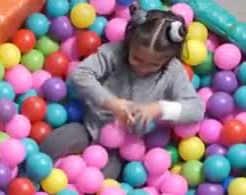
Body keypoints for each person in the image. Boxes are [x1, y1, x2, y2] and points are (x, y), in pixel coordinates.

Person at [41, 4, 205, 179]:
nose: (143, 67)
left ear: (169, 59)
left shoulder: (172, 72)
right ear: (129, 43)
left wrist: (159, 108)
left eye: (153, 64)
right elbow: (80, 74)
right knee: (52, 144)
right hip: (91, 125)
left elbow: (196, 109)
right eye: (136, 58)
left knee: (104, 179)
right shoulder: (115, 52)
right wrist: (110, 102)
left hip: (124, 146)